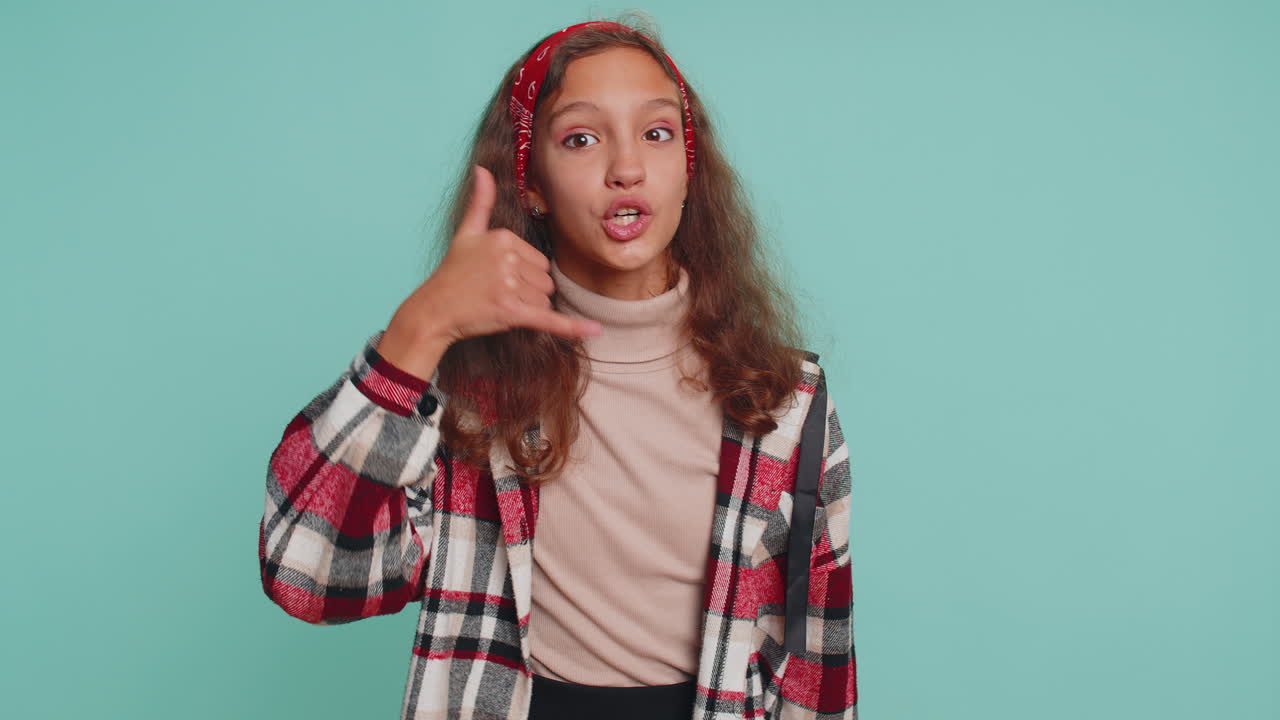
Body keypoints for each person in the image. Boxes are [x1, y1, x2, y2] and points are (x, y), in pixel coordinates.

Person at [258, 15, 856, 720]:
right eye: (581, 138)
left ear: (689, 169)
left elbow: (817, 661)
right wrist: (421, 328)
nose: (626, 166)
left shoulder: (785, 402)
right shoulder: (467, 396)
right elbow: (309, 574)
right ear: (530, 183)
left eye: (657, 133)